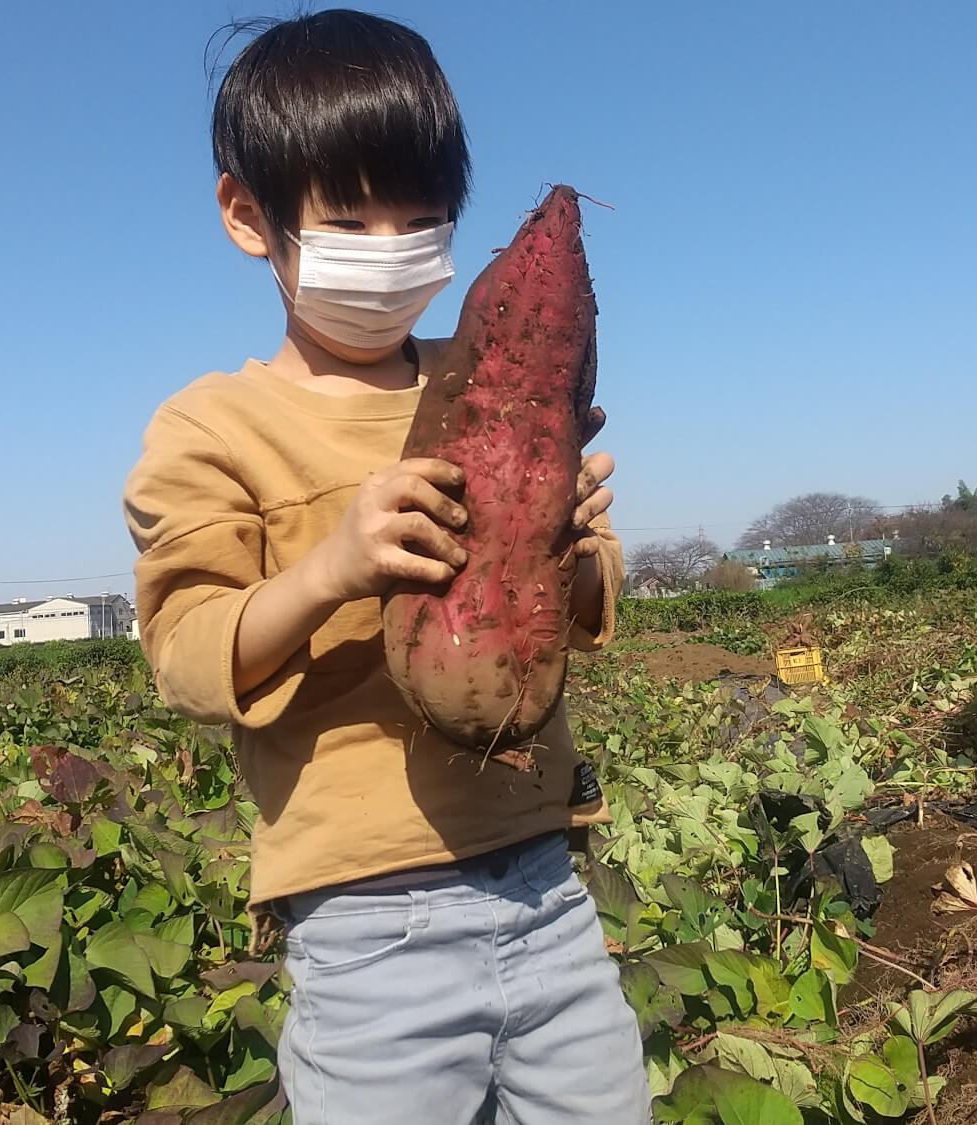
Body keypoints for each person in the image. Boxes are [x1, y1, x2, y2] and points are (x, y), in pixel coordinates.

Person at [122, 10, 648, 1122]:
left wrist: (567, 540)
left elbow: (578, 609)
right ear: (247, 218)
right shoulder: (214, 428)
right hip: (366, 925)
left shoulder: (493, 387)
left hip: (541, 882)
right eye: (350, 219)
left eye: (421, 221)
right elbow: (185, 654)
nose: (389, 247)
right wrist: (331, 570)